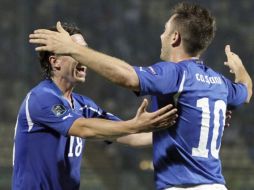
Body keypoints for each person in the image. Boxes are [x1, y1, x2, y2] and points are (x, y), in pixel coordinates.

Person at [29, 2, 252, 190]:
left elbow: (127, 77)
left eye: (165, 30)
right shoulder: (220, 82)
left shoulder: (175, 73)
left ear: (174, 37)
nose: (161, 35)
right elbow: (246, 91)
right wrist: (239, 68)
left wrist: (74, 49)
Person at [12, 23, 179, 190]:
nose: (84, 57)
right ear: (55, 62)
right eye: (74, 51)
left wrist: (176, 134)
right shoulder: (40, 98)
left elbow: (131, 137)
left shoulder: (84, 106)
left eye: (84, 51)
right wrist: (134, 125)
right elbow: (83, 128)